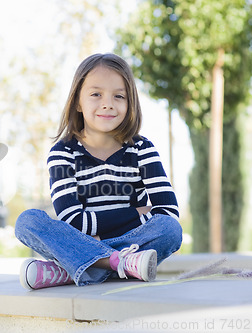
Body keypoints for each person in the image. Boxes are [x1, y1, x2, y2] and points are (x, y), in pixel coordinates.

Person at [15, 53, 182, 290]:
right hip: (129, 252)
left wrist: (91, 240)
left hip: (123, 244)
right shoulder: (63, 153)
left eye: (119, 96)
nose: (108, 103)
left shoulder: (142, 149)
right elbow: (72, 220)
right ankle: (117, 263)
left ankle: (76, 267)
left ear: (130, 102)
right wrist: (136, 213)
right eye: (96, 94)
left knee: (170, 231)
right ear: (77, 102)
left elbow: (168, 213)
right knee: (27, 222)